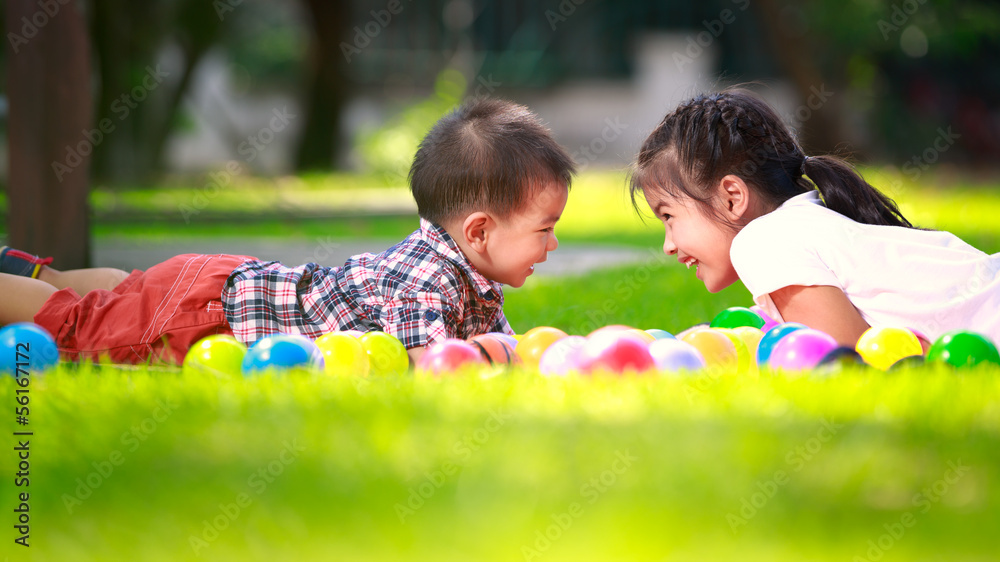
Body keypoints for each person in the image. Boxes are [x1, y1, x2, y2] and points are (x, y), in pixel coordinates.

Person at [0, 98, 575, 364]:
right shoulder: (427, 281)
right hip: (205, 314)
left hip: (218, 286)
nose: (552, 244)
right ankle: (20, 288)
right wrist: (499, 357)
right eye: (545, 229)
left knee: (125, 291)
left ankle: (30, 270)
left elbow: (511, 345)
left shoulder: (476, 277)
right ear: (478, 231)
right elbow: (430, 364)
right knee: (77, 327)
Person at [630, 88, 1000, 346]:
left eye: (669, 216)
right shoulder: (807, 222)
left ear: (732, 197)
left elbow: (843, 353)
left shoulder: (761, 242)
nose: (668, 245)